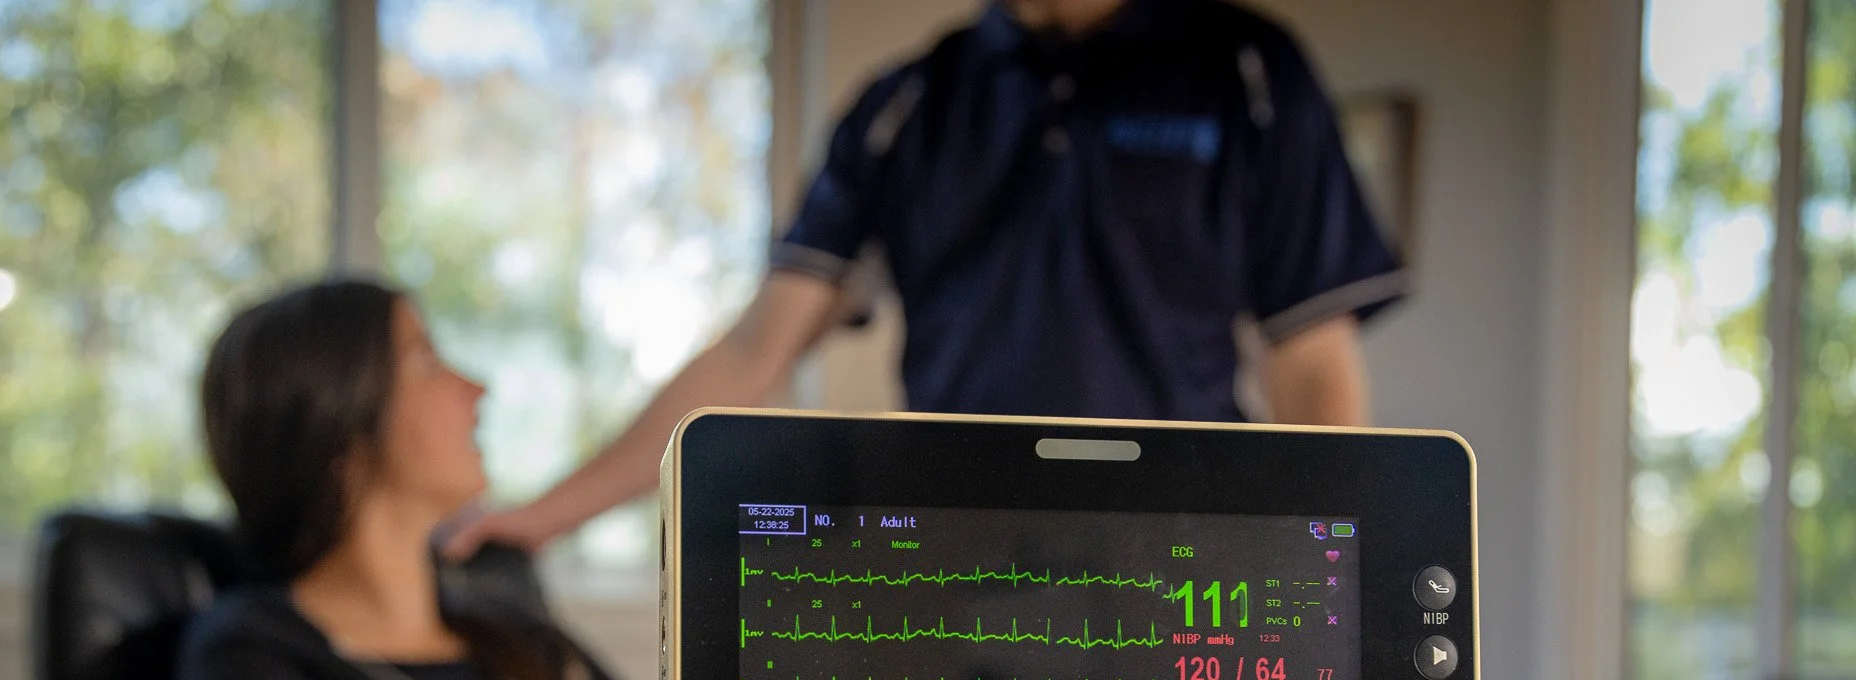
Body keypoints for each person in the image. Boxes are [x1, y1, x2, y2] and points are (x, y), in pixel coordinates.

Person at [445, 0, 1405, 559]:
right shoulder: (908, 103)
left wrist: (1327, 582)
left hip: (1181, 569)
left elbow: (1314, 370)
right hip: (957, 576)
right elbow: (751, 354)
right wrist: (543, 517)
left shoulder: (1248, 73)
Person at [174, 279, 654, 680]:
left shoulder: (516, 633)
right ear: (338, 421)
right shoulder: (250, 653)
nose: (476, 388)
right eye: (426, 361)